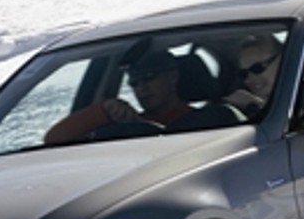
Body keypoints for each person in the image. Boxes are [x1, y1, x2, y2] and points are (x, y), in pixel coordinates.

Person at [44, 48, 193, 144]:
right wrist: (103, 110)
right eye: (134, 83)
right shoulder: (122, 127)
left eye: (149, 78)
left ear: (173, 77)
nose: (141, 88)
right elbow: (53, 140)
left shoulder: (206, 120)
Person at [222, 34, 282, 117]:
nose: (249, 79)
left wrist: (255, 105)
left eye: (257, 68)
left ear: (281, 60)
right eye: (243, 73)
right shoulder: (235, 112)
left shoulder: (303, 96)